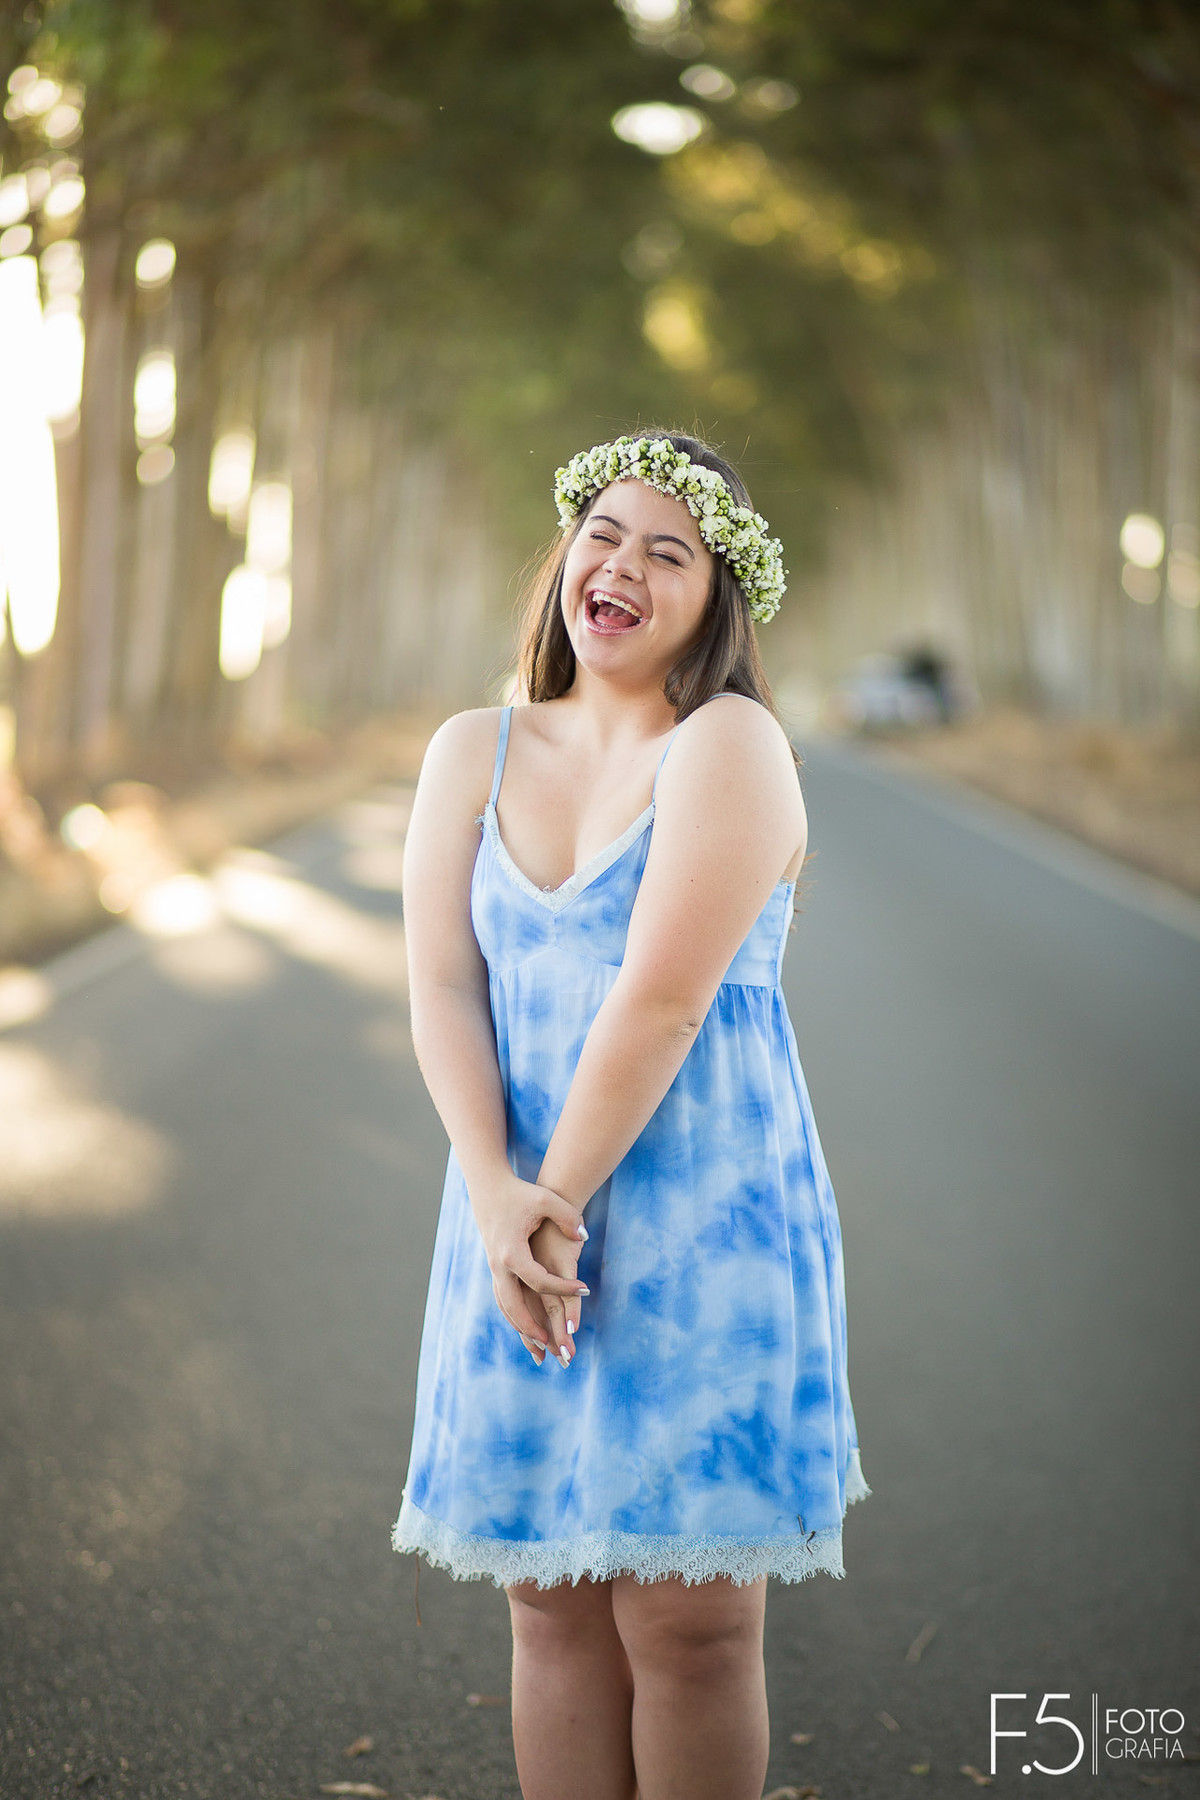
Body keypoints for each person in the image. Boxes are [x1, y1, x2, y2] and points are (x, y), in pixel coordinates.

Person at [392, 432, 869, 1800]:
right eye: (605, 533)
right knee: (549, 1604)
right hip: (509, 1213)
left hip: (695, 1211)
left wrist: (544, 1204)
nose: (624, 566)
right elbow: (438, 985)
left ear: (717, 600)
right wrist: (497, 1193)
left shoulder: (728, 745)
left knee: (689, 1619)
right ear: (564, 558)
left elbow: (661, 1006)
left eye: (671, 552)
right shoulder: (467, 752)